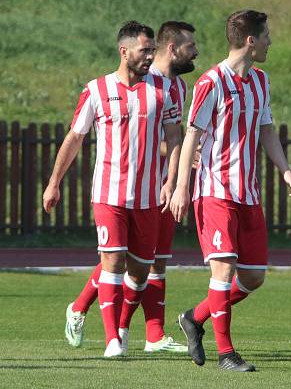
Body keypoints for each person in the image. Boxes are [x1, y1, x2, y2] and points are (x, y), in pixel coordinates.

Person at [170, 10, 291, 372]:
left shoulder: (260, 81)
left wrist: (286, 169)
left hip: (249, 194)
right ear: (250, 41)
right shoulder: (211, 82)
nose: (270, 42)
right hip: (214, 191)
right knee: (223, 271)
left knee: (253, 278)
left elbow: (267, 130)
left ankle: (194, 318)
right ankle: (226, 354)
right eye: (266, 36)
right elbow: (192, 135)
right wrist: (182, 188)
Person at [43, 21, 181, 358]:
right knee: (112, 262)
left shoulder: (162, 91)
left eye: (152, 50)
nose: (150, 56)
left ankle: (112, 323)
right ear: (124, 51)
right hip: (108, 195)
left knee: (139, 270)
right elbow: (75, 137)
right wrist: (54, 182)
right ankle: (112, 340)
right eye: (144, 50)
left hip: (149, 197)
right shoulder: (96, 90)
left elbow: (175, 136)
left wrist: (171, 180)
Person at [115, 21, 198, 353]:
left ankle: (154, 336)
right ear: (172, 48)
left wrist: (182, 166)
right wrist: (183, 158)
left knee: (158, 261)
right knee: (122, 260)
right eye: (191, 46)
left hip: (166, 188)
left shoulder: (178, 87)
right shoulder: (148, 84)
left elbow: (175, 138)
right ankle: (84, 311)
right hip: (141, 187)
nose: (197, 52)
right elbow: (146, 142)